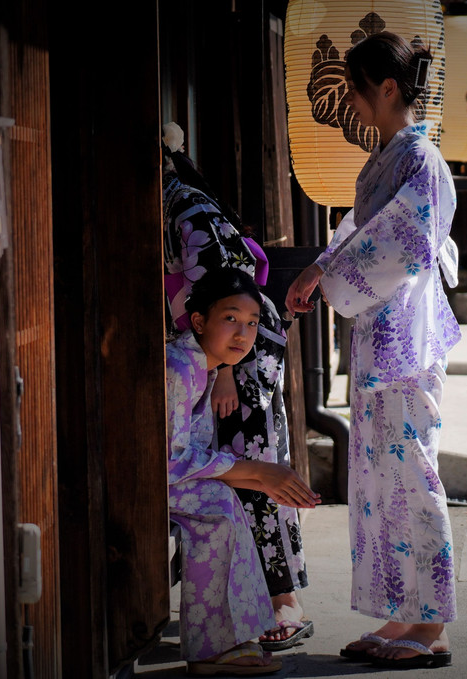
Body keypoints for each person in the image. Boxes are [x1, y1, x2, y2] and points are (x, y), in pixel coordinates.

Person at [285, 31, 459, 670]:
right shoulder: (389, 157)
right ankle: (405, 614)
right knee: (383, 479)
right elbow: (363, 232)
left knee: (411, 470)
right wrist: (319, 268)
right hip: (382, 338)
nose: (352, 103)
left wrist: (331, 275)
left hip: (405, 342)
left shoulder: (420, 160)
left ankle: (432, 622)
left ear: (387, 89)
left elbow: (403, 244)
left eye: (356, 89)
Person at [162, 123, 315, 651]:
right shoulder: (187, 200)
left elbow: (227, 285)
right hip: (230, 342)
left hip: (234, 348)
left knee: (259, 469)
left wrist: (224, 365)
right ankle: (263, 604)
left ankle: (279, 599)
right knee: (255, 470)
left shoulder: (185, 206)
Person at [166, 267, 321, 675]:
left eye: (252, 323)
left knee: (229, 499)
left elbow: (187, 455)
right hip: (144, 480)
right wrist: (256, 472)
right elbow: (168, 460)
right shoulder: (179, 368)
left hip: (164, 477)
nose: (243, 334)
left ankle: (230, 638)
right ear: (199, 320)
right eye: (230, 318)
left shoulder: (205, 366)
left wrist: (262, 477)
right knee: (218, 507)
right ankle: (212, 648)